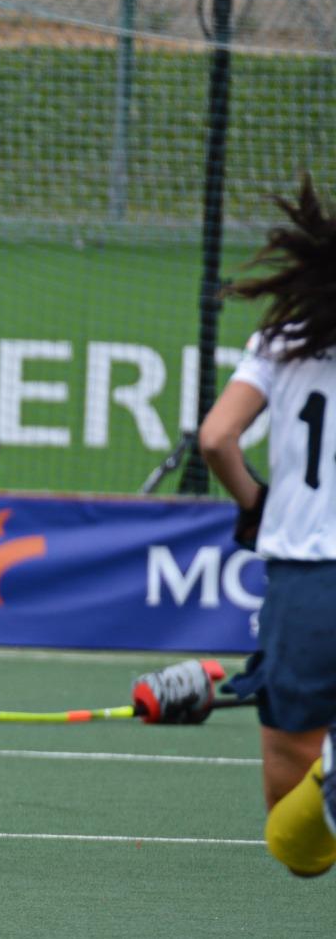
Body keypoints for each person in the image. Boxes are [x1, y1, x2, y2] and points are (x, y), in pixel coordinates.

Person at [199, 175, 336, 878]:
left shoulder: (284, 337)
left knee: (297, 847)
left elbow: (218, 437)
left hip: (308, 580)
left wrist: (256, 504)